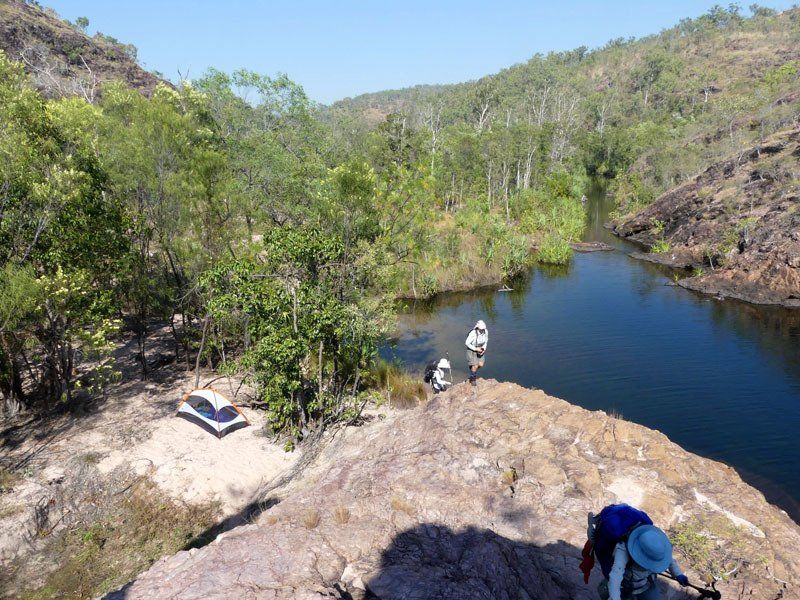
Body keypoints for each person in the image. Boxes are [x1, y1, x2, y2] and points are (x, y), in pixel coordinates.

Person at [581, 504, 689, 600]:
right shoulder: (623, 548)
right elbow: (616, 576)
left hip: (646, 583)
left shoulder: (656, 543)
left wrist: (678, 573)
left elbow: (667, 558)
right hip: (626, 585)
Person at [465, 320, 488, 386]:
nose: (482, 330)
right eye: (481, 329)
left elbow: (486, 341)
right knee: (475, 366)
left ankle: (472, 368)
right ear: (478, 327)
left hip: (480, 349)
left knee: (480, 364)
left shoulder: (485, 331)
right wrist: (475, 349)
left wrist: (484, 349)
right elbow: (467, 343)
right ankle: (473, 379)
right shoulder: (473, 333)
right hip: (472, 350)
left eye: (483, 328)